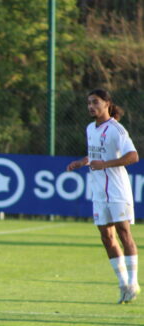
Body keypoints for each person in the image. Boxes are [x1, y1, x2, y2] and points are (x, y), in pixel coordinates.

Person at [66, 89, 140, 304]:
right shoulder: (90, 128)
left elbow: (133, 156)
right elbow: (97, 154)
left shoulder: (117, 129)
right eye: (88, 103)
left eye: (95, 102)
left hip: (117, 189)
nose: (91, 106)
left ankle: (134, 282)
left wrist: (106, 164)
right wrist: (83, 162)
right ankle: (123, 284)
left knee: (124, 233)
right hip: (99, 191)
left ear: (107, 103)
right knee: (106, 237)